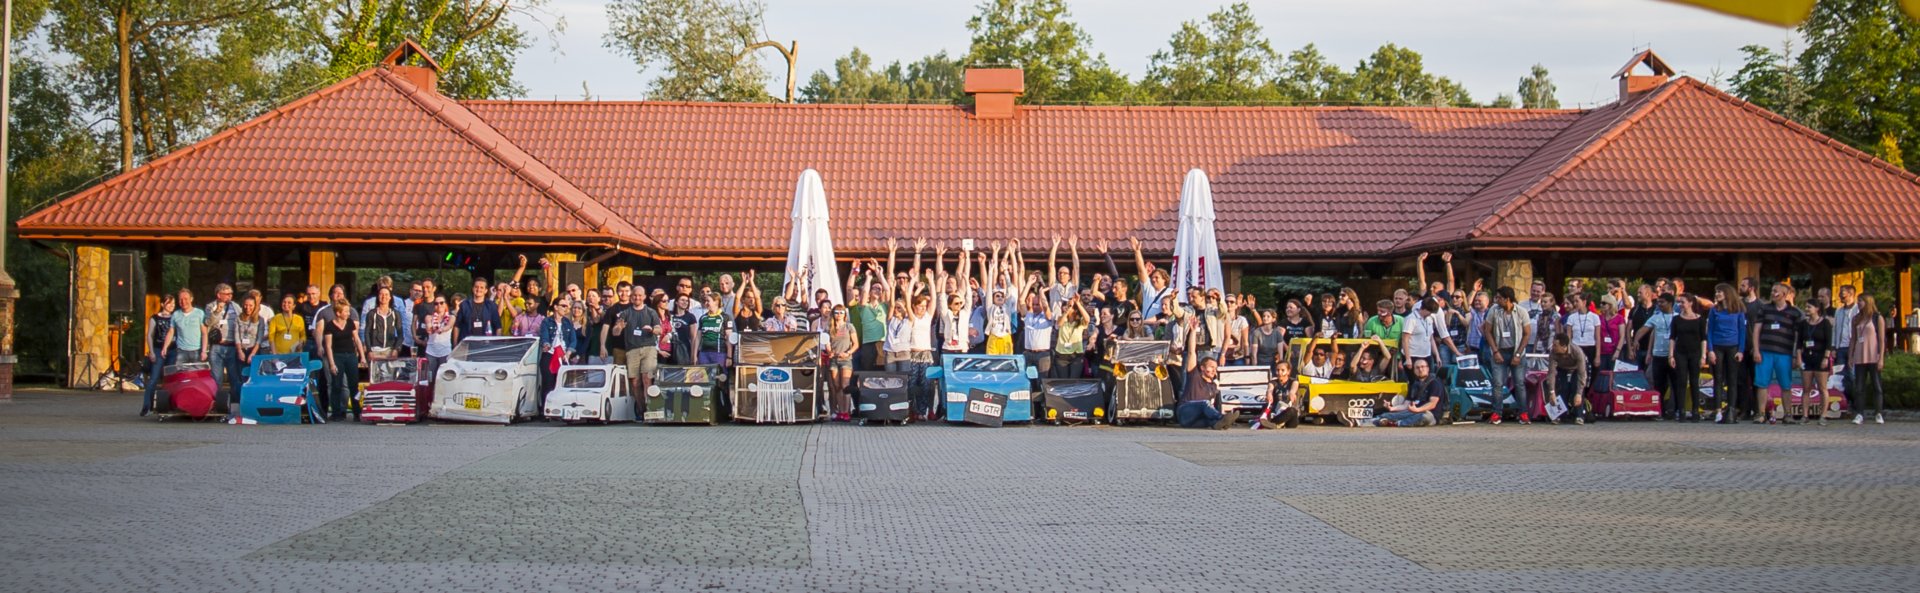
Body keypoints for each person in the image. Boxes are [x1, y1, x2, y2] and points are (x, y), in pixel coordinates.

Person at [1749, 283, 1803, 425]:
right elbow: (1756, 330)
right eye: (1772, 291)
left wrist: (1796, 355)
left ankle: (1788, 414)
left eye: (1776, 291)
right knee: (1762, 383)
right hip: (1765, 351)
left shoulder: (1794, 313)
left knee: (1786, 385)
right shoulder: (1764, 309)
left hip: (1785, 353)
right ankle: (1761, 414)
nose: (1773, 293)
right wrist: (1756, 350)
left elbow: (1798, 336)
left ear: (1784, 294)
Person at [1481, 286, 1531, 425]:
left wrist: (1518, 354)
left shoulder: (1521, 311)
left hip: (1516, 351)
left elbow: (1527, 333)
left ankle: (1523, 413)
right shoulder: (1494, 310)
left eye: (1499, 298)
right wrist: (1495, 351)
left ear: (1507, 299)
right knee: (1497, 383)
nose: (1497, 300)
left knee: (1519, 383)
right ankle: (1497, 413)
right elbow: (1488, 331)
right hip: (1500, 351)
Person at [1176, 321, 1239, 430]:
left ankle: (1220, 423)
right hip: (1185, 413)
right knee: (1205, 403)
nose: (1214, 370)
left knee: (1210, 420)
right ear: (1202, 368)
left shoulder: (1213, 386)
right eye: (1211, 367)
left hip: (1196, 420)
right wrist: (1193, 331)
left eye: (1215, 368)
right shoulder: (1194, 376)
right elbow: (1191, 352)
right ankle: (1221, 418)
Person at [1629, 294, 1677, 419]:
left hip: (1673, 356)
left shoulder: (1677, 317)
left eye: (1662, 302)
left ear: (1670, 303)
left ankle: (1675, 410)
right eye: (1658, 302)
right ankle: (1659, 410)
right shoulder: (1656, 317)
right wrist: (1636, 340)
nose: (1659, 305)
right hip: (1658, 355)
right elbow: (1643, 329)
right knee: (1658, 384)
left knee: (1675, 384)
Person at [1707, 283, 1748, 424]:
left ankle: (1731, 409)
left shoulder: (1738, 309)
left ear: (1727, 293)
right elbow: (1710, 330)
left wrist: (1741, 350)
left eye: (1720, 292)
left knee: (1732, 379)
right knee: (1718, 378)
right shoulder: (1714, 310)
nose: (1717, 294)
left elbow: (1742, 331)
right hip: (1717, 346)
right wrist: (1710, 350)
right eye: (1716, 292)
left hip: (1733, 346)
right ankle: (1718, 410)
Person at [319, 299, 366, 422]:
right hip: (337, 356)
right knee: (336, 384)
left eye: (348, 311)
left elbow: (356, 339)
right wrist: (332, 363)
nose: (348, 313)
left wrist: (362, 356)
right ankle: (336, 412)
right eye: (345, 311)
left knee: (354, 385)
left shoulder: (350, 323)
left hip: (351, 355)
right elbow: (328, 346)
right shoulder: (330, 326)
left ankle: (357, 412)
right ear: (338, 313)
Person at [1667, 292, 1709, 422]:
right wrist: (1671, 355)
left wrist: (1703, 356)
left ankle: (1695, 410)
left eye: (1683, 302)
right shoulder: (1676, 319)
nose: (1680, 305)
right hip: (1680, 353)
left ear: (1690, 303)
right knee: (1681, 381)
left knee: (1694, 381)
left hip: (1695, 353)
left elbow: (1703, 339)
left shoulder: (1700, 319)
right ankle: (1681, 410)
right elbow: (1672, 338)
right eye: (1679, 302)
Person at [1848, 295, 1887, 425]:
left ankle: (1879, 413)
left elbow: (1881, 340)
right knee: (1859, 387)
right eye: (1858, 301)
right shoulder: (1856, 319)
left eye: (1861, 301)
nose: (1858, 303)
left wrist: (1881, 358)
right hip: (1860, 356)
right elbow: (1853, 339)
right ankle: (1859, 414)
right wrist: (1850, 356)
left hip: (1873, 356)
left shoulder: (1877, 318)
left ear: (1868, 302)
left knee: (1877, 386)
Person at [203, 283, 242, 411]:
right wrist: (217, 312)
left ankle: (235, 405)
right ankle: (217, 405)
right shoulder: (210, 306)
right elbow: (208, 323)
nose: (230, 296)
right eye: (227, 294)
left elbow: (241, 322)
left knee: (234, 377)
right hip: (217, 347)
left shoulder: (235, 306)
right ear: (219, 295)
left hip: (232, 346)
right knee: (216, 378)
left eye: (231, 293)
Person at [1375, 357, 1443, 427]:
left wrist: (1418, 410)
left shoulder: (1435, 383)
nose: (1420, 369)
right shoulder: (1413, 385)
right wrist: (1391, 408)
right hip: (1412, 412)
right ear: (1414, 370)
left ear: (1428, 368)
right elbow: (1406, 405)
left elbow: (1432, 404)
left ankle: (1396, 423)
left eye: (1423, 367)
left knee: (1425, 417)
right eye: (1417, 368)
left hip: (1429, 414)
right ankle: (1383, 420)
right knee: (1391, 414)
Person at [1795, 302, 1834, 425]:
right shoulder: (1803, 324)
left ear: (1817, 308)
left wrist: (1826, 358)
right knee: (1806, 388)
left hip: (1820, 357)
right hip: (1807, 358)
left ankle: (1823, 415)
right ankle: (1805, 415)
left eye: (1809, 307)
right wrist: (1799, 358)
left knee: (1822, 388)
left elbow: (1828, 343)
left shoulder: (1825, 323)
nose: (1806, 309)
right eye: (1805, 307)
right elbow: (1799, 343)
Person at [537, 298, 581, 404]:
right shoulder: (547, 321)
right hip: (550, 354)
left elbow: (573, 340)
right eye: (563, 306)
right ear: (556, 307)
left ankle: (560, 407)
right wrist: (546, 345)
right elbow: (544, 337)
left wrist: (569, 352)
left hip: (563, 356)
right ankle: (546, 408)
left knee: (562, 383)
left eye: (567, 306)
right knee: (548, 383)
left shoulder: (567, 322)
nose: (566, 308)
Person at [140, 295, 178, 416]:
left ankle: (168, 405)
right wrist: (151, 351)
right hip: (158, 349)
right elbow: (150, 335)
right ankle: (147, 406)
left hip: (173, 350)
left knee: (170, 378)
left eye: (173, 303)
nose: (171, 306)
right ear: (162, 304)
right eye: (169, 303)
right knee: (154, 378)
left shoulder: (176, 317)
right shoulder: (155, 318)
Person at [1547, 333, 1589, 425]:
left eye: (1555, 345)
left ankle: (1579, 416)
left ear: (1564, 347)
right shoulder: (1553, 353)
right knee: (1562, 389)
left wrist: (1579, 393)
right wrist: (1552, 392)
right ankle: (1559, 416)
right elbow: (1551, 373)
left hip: (1576, 369)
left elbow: (1582, 374)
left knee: (1576, 389)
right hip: (1562, 369)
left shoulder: (1577, 352)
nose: (1553, 347)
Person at [825, 305, 857, 421]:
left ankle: (846, 411)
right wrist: (829, 351)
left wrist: (848, 353)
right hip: (834, 359)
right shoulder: (829, 327)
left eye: (841, 312)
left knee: (845, 385)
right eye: (836, 312)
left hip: (846, 359)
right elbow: (827, 343)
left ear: (845, 314)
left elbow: (856, 344)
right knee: (837, 386)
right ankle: (841, 411)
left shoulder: (849, 326)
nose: (839, 315)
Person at [1254, 358, 1302, 429]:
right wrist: (1269, 394)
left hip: (1289, 417)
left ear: (1288, 371)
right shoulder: (1273, 382)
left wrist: (1292, 393)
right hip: (1276, 414)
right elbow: (1270, 389)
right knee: (1265, 405)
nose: (1279, 372)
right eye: (1278, 370)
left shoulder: (1293, 381)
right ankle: (1271, 423)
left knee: (1292, 410)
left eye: (1282, 370)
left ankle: (1272, 424)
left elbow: (1294, 388)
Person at [363, 287, 405, 361]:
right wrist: (369, 350)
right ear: (378, 296)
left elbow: (400, 334)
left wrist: (396, 349)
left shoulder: (395, 314)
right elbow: (367, 333)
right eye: (381, 294)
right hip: (374, 350)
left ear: (390, 297)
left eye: (386, 294)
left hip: (389, 350)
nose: (384, 297)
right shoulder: (371, 314)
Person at [233, 295, 267, 383]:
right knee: (241, 377)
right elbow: (236, 335)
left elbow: (259, 339)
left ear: (255, 306)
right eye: (246, 305)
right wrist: (240, 351)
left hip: (254, 350)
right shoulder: (238, 318)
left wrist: (252, 354)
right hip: (241, 350)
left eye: (250, 305)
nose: (248, 307)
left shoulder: (260, 320)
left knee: (254, 376)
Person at [1054, 297, 1090, 379]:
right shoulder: (1062, 318)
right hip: (1061, 355)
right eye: (1066, 305)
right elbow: (1059, 324)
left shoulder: (1080, 321)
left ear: (1075, 310)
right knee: (1064, 381)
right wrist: (1067, 311)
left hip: (1076, 355)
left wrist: (1078, 303)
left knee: (1074, 379)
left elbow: (1087, 319)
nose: (1067, 307)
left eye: (1070, 306)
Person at [456, 278, 500, 343]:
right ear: (473, 288)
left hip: (486, 344)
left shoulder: (492, 306)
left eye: (481, 287)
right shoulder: (464, 305)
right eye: (476, 287)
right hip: (467, 344)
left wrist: (497, 344)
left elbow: (498, 327)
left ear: (486, 290)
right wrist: (455, 345)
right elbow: (457, 326)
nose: (478, 289)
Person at [422, 296, 454, 380]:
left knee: (444, 378)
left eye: (441, 303)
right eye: (436, 303)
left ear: (445, 304)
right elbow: (428, 326)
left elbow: (448, 326)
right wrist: (430, 328)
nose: (439, 305)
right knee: (429, 378)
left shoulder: (451, 317)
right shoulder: (429, 317)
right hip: (431, 352)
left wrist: (441, 329)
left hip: (445, 351)